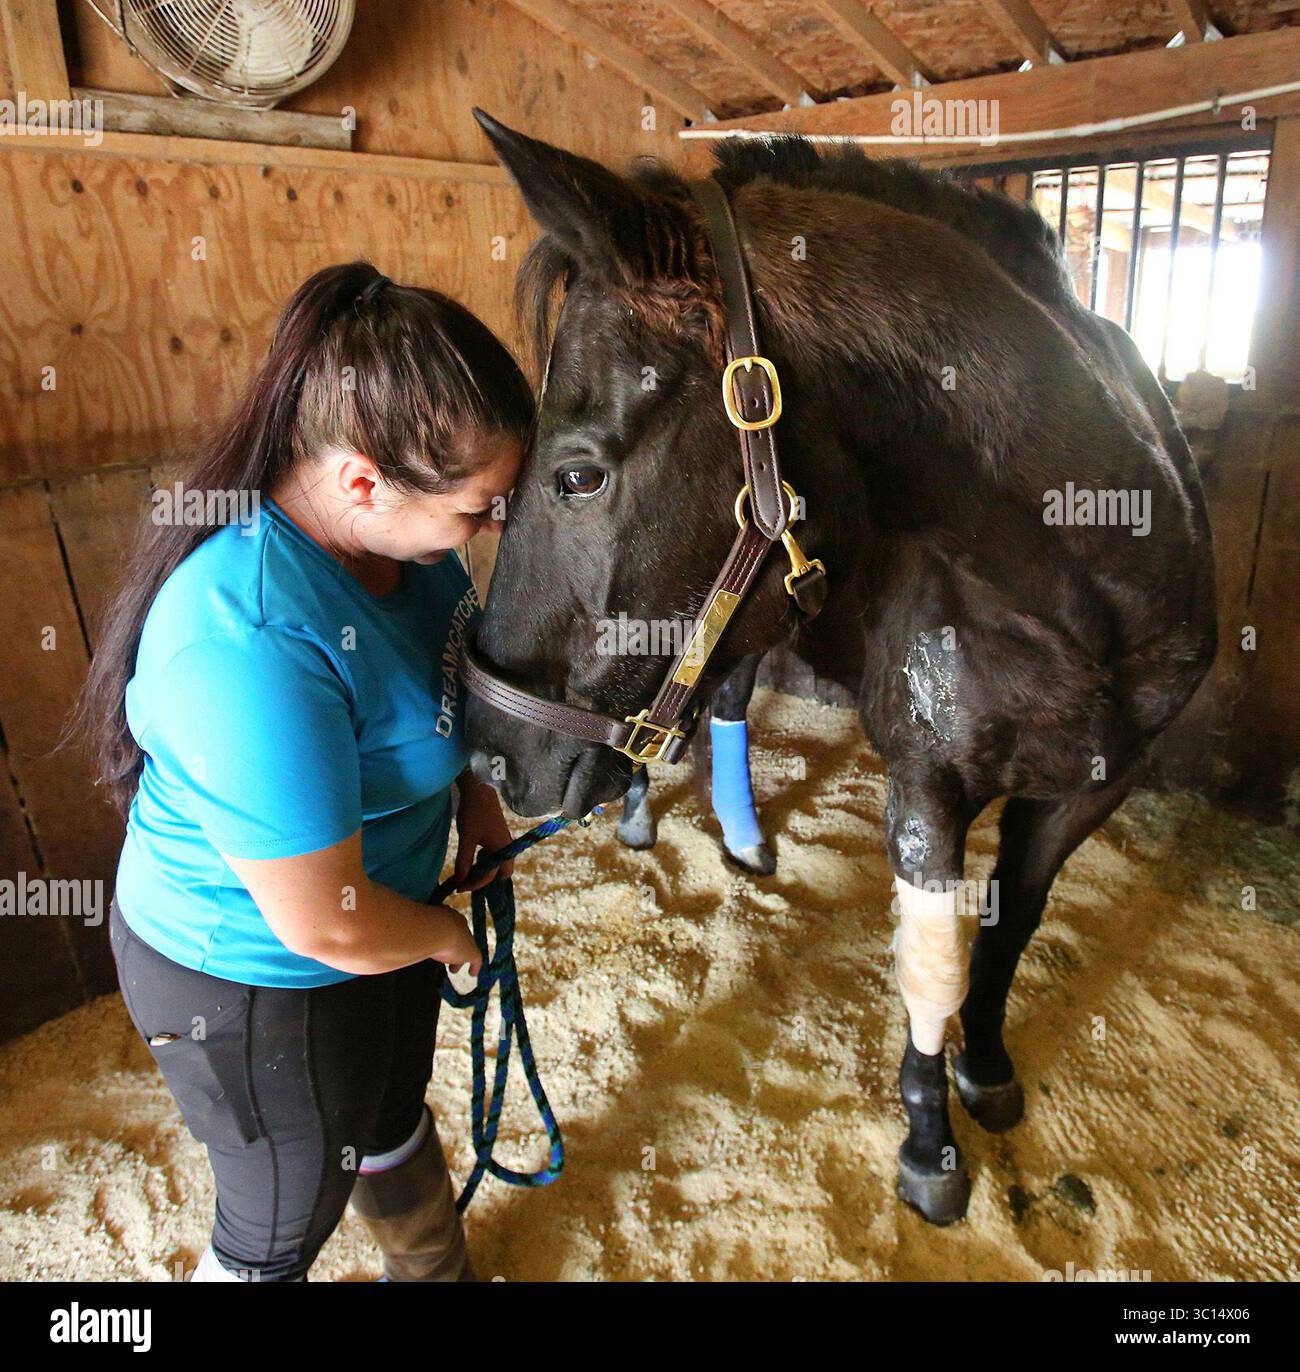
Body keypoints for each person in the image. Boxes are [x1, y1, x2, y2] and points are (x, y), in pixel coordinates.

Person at [76, 261, 531, 1282]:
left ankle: (435, 1274)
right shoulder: (246, 633)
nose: (491, 527)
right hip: (254, 974)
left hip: (383, 921)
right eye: (480, 507)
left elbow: (437, 684)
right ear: (363, 481)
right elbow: (323, 920)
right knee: (278, 1216)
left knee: (386, 1114)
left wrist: (477, 800)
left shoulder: (411, 551)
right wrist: (446, 937)